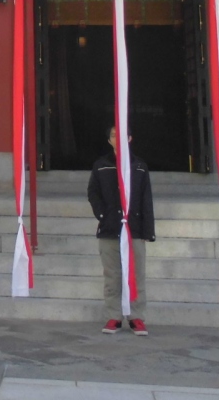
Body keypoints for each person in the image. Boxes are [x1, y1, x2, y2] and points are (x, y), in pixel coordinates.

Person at [87, 125, 155, 336]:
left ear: (130, 138)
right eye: (113, 135)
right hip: (110, 228)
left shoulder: (139, 166)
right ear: (109, 140)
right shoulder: (101, 166)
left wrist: (147, 231)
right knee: (112, 275)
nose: (117, 138)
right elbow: (93, 193)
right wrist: (102, 215)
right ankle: (114, 316)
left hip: (134, 229)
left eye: (122, 135)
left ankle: (136, 317)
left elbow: (146, 198)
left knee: (136, 274)